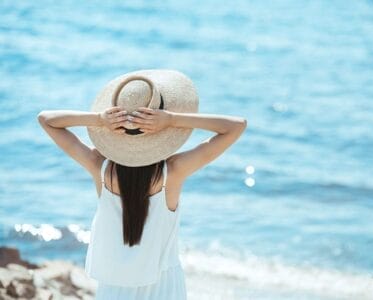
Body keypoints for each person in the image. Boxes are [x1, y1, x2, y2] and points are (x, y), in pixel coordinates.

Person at [37, 70, 246, 299]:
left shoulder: (100, 168)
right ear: (160, 133)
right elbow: (236, 126)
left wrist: (99, 119)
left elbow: (47, 120)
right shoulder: (173, 172)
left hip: (115, 286)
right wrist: (172, 119)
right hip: (164, 285)